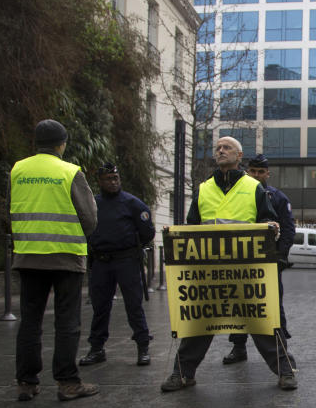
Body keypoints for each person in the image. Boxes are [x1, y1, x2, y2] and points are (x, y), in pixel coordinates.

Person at [160, 137, 294, 392]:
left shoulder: (254, 187)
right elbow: (192, 226)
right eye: (218, 148)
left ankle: (285, 370)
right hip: (209, 271)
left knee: (263, 320)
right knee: (198, 323)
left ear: (239, 155)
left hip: (247, 271)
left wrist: (272, 228)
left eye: (227, 148)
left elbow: (268, 220)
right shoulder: (203, 189)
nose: (221, 151)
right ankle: (182, 373)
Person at [10, 119, 99, 402]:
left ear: (36, 142)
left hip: (28, 255)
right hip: (65, 257)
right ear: (62, 144)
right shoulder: (70, 172)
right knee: (67, 321)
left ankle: (26, 382)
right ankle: (68, 382)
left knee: (30, 321)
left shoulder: (18, 169)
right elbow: (89, 217)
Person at [220, 153, 299, 390]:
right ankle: (239, 346)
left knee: (273, 305)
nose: (256, 175)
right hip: (241, 262)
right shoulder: (239, 195)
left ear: (267, 174)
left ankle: (281, 349)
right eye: (252, 171)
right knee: (238, 304)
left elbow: (287, 228)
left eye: (260, 172)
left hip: (267, 262)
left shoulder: (277, 197)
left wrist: (281, 256)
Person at [79, 163, 154, 367]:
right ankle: (96, 348)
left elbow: (147, 231)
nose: (113, 182)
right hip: (102, 261)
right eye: (108, 179)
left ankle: (143, 346)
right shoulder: (94, 203)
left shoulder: (132, 203)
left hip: (126, 261)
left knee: (134, 305)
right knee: (100, 307)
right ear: (100, 181)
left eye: (116, 178)